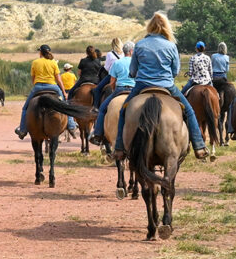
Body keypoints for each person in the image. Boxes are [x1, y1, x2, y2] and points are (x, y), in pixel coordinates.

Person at [112, 12, 208, 159]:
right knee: (189, 111)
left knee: (123, 112)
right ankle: (199, 146)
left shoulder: (140, 45)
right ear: (165, 28)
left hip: (142, 85)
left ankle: (119, 148)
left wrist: (135, 75)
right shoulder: (171, 46)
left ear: (150, 27)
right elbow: (175, 71)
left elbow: (132, 70)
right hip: (167, 85)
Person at [15, 44, 77, 139]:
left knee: (25, 108)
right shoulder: (53, 63)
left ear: (40, 52)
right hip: (53, 87)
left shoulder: (35, 62)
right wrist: (64, 92)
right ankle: (71, 126)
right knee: (65, 105)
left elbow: (33, 78)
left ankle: (23, 130)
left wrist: (36, 85)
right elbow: (58, 79)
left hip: (38, 87)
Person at [89, 41, 135, 145]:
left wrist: (114, 90)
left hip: (120, 89)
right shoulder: (136, 63)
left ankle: (98, 135)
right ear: (131, 51)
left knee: (102, 110)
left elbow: (112, 82)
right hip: (134, 90)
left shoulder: (117, 63)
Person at [92, 38, 123, 110]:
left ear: (112, 45)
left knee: (97, 89)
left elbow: (107, 68)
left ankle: (96, 107)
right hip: (122, 76)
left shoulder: (110, 54)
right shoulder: (124, 53)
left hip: (112, 76)